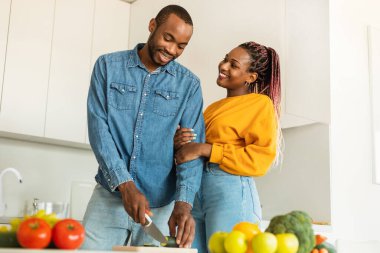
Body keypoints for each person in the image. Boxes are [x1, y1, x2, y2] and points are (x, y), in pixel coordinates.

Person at [82, 5, 205, 250]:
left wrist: (183, 204)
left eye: (181, 46)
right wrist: (125, 185)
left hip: (161, 208)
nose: (171, 50)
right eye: (167, 38)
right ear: (152, 26)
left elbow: (191, 149)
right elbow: (99, 130)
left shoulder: (189, 85)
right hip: (110, 196)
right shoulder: (108, 66)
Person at [174, 41, 283, 253]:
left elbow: (259, 160)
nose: (223, 66)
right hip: (197, 189)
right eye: (225, 59)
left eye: (233, 65)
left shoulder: (260, 104)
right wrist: (179, 141)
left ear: (250, 77)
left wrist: (205, 149)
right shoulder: (212, 108)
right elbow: (194, 148)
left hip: (231, 189)